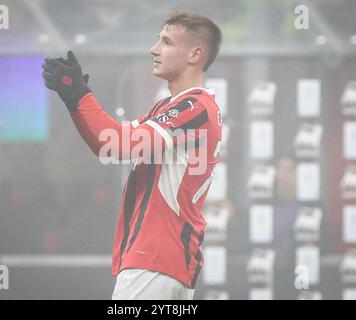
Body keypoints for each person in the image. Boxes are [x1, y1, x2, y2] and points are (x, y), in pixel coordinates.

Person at [42, 11, 223, 300]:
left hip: (154, 263)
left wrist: (79, 94)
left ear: (195, 54)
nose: (154, 49)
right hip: (163, 266)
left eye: (166, 42)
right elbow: (108, 144)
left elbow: (121, 146)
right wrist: (74, 96)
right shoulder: (170, 107)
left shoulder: (195, 105)